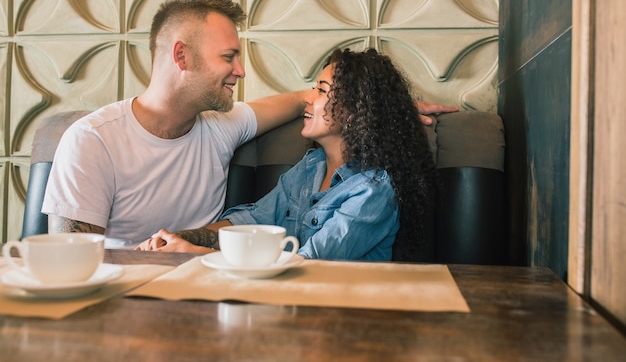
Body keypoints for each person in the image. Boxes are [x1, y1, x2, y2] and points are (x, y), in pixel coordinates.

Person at [43, 0, 455, 249]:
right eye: (229, 57)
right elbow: (68, 263)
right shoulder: (91, 140)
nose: (241, 71)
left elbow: (301, 101)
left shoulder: (223, 125)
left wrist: (383, 108)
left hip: (211, 295)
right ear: (181, 56)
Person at [137, 48, 438, 262]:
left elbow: (307, 264)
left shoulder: (373, 191)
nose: (308, 97)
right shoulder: (310, 168)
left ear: (354, 112)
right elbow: (254, 218)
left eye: (321, 89)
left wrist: (197, 256)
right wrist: (181, 239)